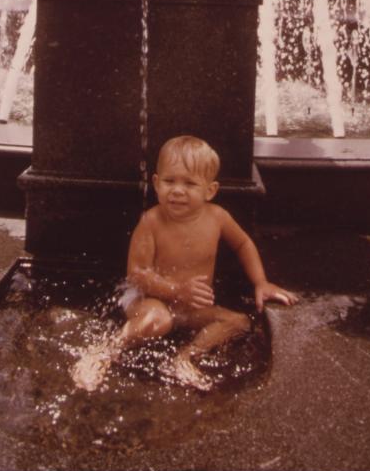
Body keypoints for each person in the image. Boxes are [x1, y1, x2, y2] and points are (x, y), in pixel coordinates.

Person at [71, 135, 297, 392]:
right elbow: (136, 273)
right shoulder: (151, 221)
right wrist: (176, 290)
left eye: (189, 183)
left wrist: (260, 282)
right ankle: (103, 352)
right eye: (169, 181)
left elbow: (242, 244)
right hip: (149, 300)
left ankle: (185, 357)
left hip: (190, 307)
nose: (177, 190)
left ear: (209, 191)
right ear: (156, 184)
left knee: (239, 322)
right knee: (159, 319)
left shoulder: (218, 217)